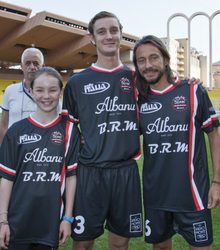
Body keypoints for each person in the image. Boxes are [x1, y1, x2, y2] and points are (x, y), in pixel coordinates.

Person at [133, 35, 220, 250]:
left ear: (165, 59)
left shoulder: (193, 90)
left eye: (153, 57)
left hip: (192, 194)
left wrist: (217, 182)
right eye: (141, 60)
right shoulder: (138, 100)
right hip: (156, 196)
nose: (148, 65)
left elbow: (214, 135)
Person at [62, 11, 142, 250]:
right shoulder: (77, 83)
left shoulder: (138, 79)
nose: (109, 36)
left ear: (121, 34)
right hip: (90, 174)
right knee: (83, 244)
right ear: (92, 39)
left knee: (119, 245)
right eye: (102, 31)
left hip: (125, 172)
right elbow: (68, 132)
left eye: (114, 30)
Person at [0, 67, 81, 250]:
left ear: (61, 92)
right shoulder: (16, 131)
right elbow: (7, 179)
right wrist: (2, 220)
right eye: (40, 89)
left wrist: (67, 218)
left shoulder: (69, 130)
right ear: (30, 91)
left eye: (53, 90)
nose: (46, 95)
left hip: (50, 222)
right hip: (17, 220)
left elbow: (71, 176)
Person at [0, 47, 44, 145]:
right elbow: (3, 124)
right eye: (27, 63)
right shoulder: (10, 90)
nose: (32, 67)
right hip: (14, 149)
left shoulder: (50, 94)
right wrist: (3, 150)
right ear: (22, 66)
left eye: (36, 63)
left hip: (40, 152)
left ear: (42, 66)